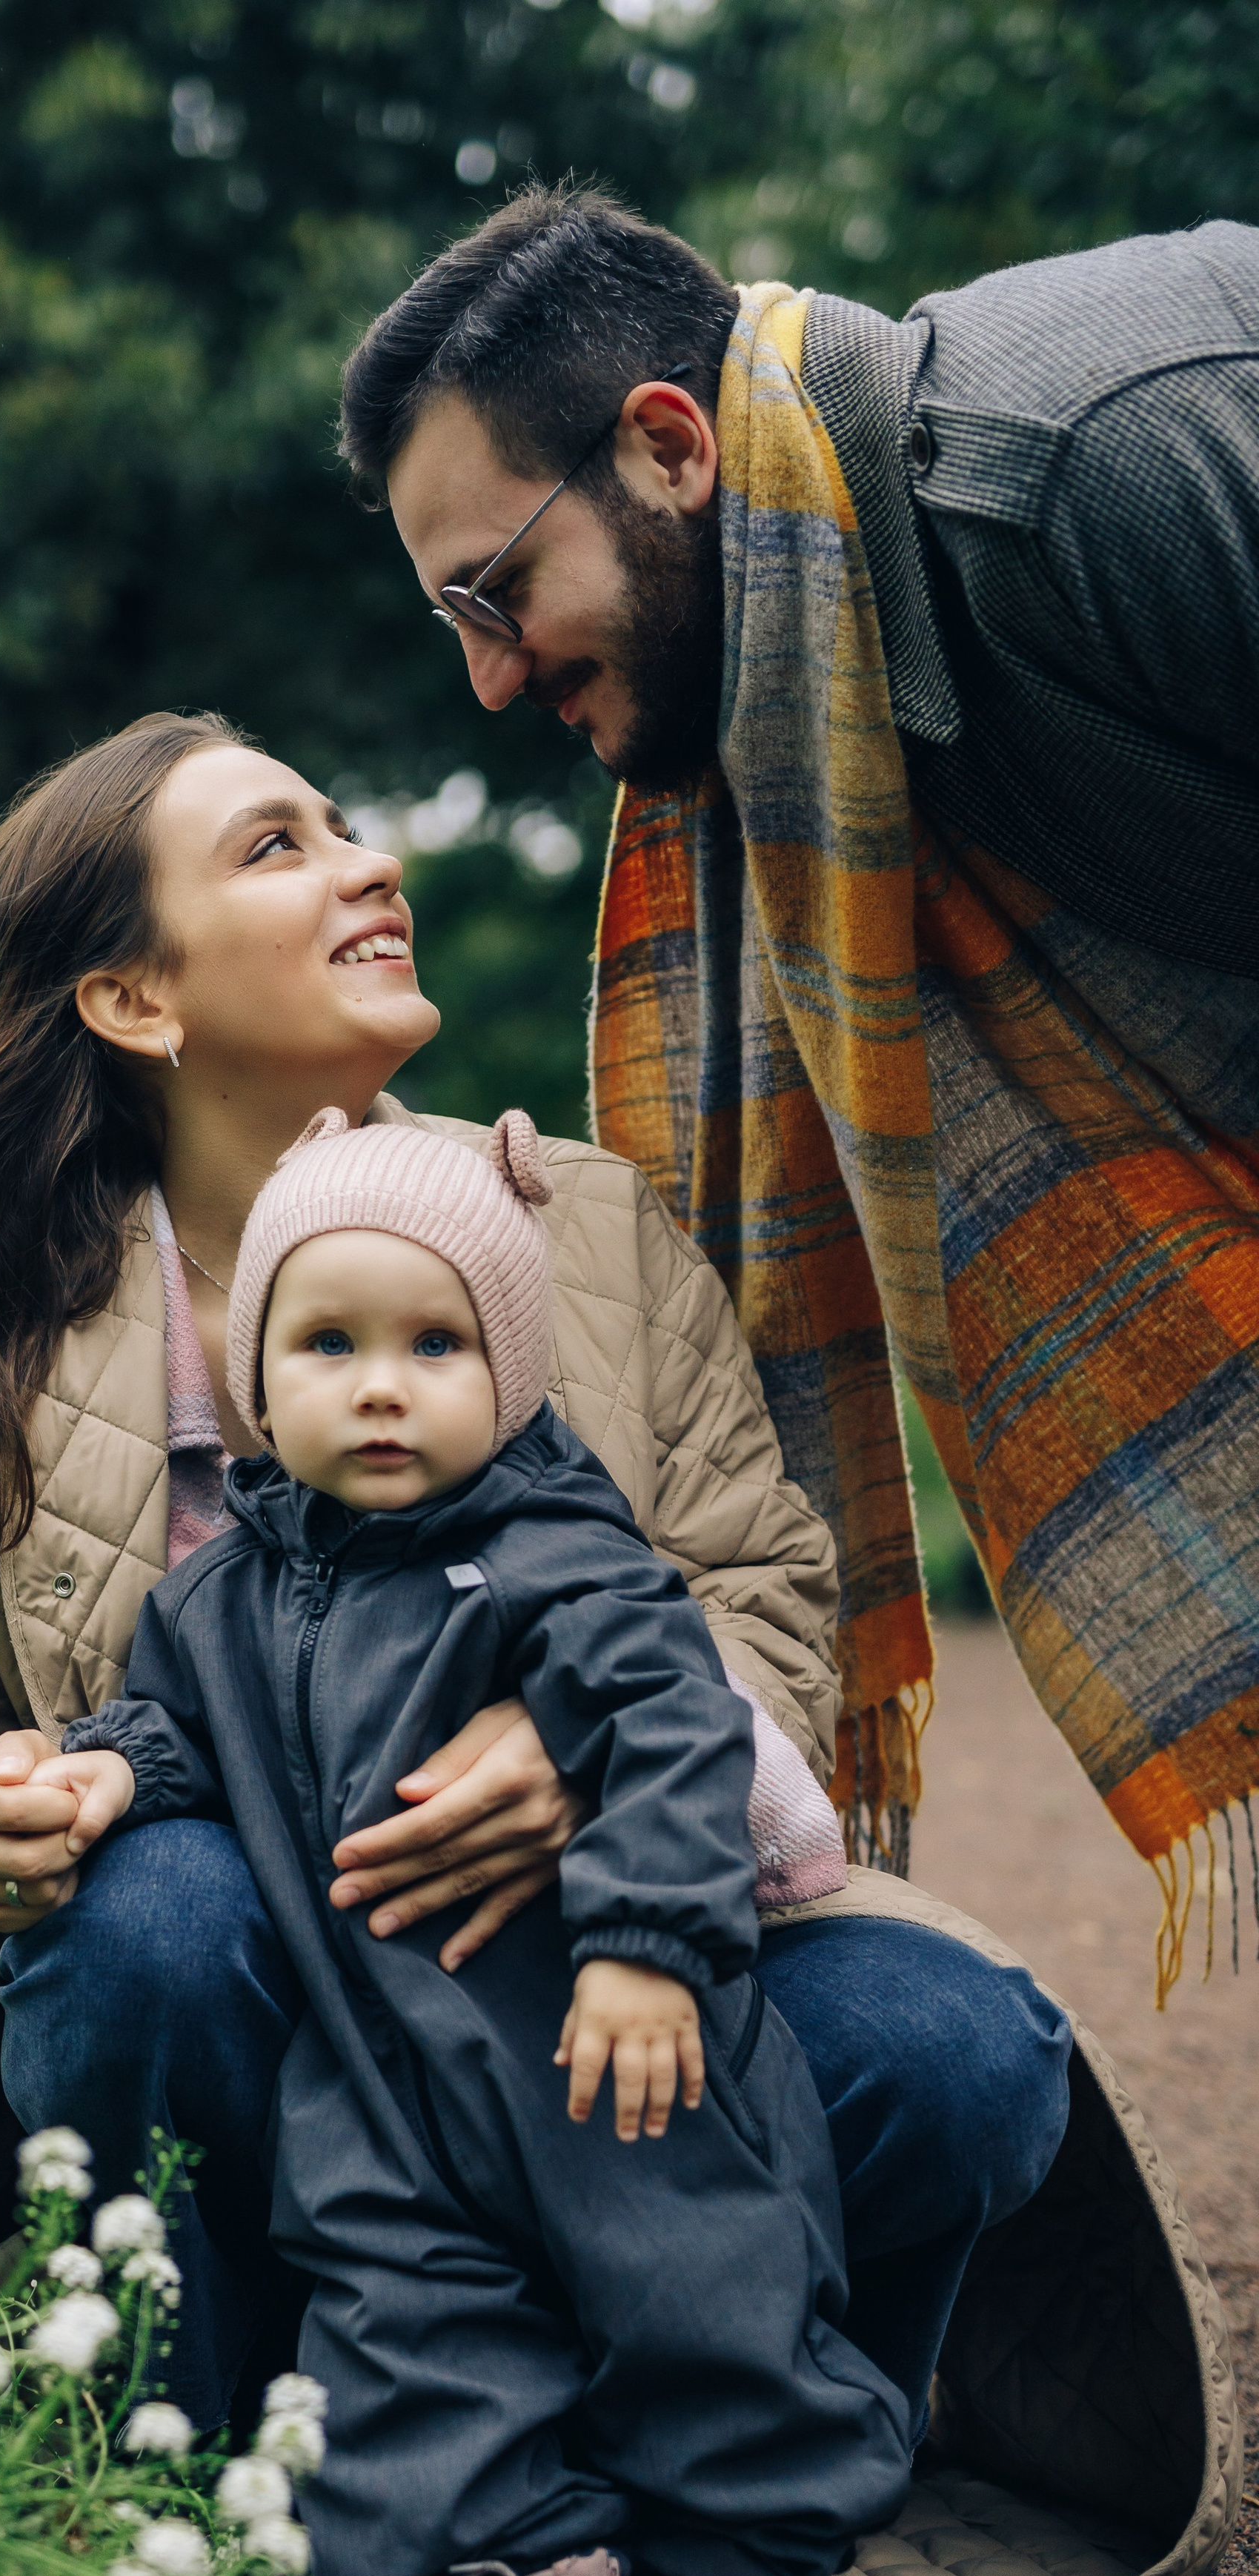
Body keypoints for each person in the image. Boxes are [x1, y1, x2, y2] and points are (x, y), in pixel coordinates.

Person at [0, 707, 1066, 2492]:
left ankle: (692, 2436)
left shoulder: (586, 1231)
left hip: (590, 1994)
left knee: (963, 2057)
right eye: (274, 847)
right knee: (140, 1914)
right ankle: (216, 2454)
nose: (368, 864)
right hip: (247, 2024)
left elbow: (762, 1591)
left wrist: (592, 1750)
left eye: (346, 823)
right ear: (136, 1000)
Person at [340, 188, 1259, 1985]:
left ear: (668, 448)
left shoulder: (1089, 465)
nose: (486, 677)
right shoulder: (815, 685)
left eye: (493, 589)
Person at [29, 1103, 909, 2576]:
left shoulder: (562, 1560)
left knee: (704, 2297)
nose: (379, 1384)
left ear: (505, 1371)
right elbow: (189, 1733)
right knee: (416, 2334)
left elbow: (672, 1730)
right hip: (375, 2072)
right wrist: (105, 1770)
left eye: (433, 1344)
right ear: (251, 1371)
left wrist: (646, 1945)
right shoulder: (215, 1600)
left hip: (598, 2049)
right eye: (329, 1342)